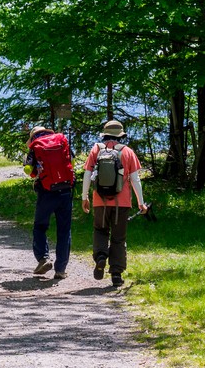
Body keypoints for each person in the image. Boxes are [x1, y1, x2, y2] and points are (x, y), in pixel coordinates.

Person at [81, 119, 147, 287]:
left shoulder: (96, 150)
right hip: (122, 203)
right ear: (121, 135)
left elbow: (88, 174)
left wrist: (84, 197)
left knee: (100, 230)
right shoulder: (128, 152)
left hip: (99, 201)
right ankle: (116, 274)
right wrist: (141, 202)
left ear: (105, 134)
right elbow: (135, 179)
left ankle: (101, 256)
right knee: (118, 238)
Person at [24, 125, 75, 280]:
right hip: (65, 190)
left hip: (46, 192)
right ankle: (61, 269)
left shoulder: (35, 147)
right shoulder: (61, 141)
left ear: (33, 136)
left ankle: (43, 258)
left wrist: (36, 173)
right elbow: (71, 159)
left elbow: (29, 170)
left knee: (40, 226)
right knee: (64, 230)